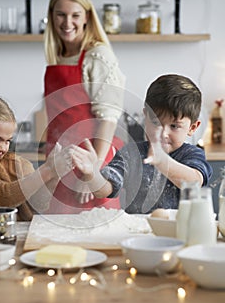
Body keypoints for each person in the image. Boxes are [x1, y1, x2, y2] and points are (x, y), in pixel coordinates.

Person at [71, 74, 213, 214]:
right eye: (156, 123)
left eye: (174, 126)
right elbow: (105, 190)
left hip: (178, 230)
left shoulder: (192, 154)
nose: (163, 133)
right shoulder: (131, 154)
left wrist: (163, 162)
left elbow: (194, 182)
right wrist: (92, 174)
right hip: (139, 230)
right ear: (145, 116)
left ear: (192, 128)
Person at [43, 0, 125, 213]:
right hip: (61, 163)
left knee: (95, 234)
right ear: (52, 16)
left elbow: (108, 119)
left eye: (75, 15)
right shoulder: (58, 57)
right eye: (61, 15)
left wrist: (94, 171)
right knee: (59, 238)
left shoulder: (98, 55)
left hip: (91, 161)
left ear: (87, 16)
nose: (67, 23)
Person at [0, 94, 73, 222]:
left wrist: (54, 175)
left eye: (8, 141)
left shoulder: (16, 164)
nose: (3, 148)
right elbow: (1, 197)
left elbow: (36, 206)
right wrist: (47, 171)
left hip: (14, 235)